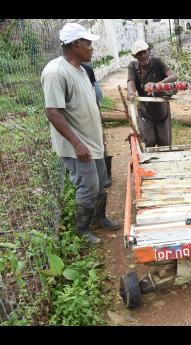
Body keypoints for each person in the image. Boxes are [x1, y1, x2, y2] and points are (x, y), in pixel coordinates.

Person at [41, 23, 120, 245]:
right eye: (88, 43)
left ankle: (99, 217)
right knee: (88, 185)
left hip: (91, 140)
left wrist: (99, 136)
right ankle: (83, 229)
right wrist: (77, 144)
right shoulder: (56, 72)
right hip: (77, 145)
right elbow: (52, 112)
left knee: (102, 181)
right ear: (76, 45)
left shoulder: (82, 70)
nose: (92, 47)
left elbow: (88, 104)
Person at [127, 40, 177, 147]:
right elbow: (130, 81)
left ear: (149, 51)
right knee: (148, 141)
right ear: (134, 56)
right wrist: (131, 92)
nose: (142, 56)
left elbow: (173, 76)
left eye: (144, 52)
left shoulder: (157, 62)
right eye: (138, 54)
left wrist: (157, 85)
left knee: (165, 144)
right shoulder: (132, 66)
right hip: (145, 111)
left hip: (161, 111)